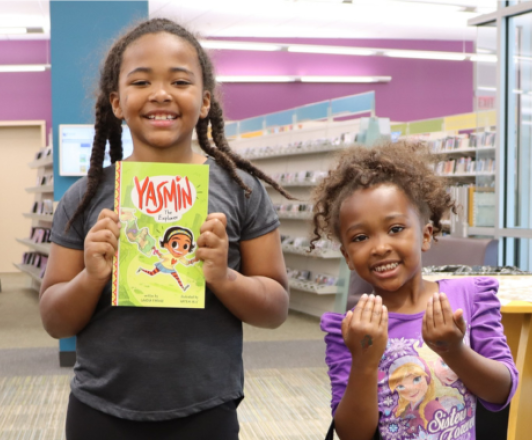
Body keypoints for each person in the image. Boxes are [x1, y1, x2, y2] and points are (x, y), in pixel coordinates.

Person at [39, 18, 292, 440]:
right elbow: (53, 320)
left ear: (205, 100)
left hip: (205, 407)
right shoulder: (85, 197)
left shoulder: (242, 192)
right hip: (100, 408)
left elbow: (276, 308)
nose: (160, 93)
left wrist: (224, 277)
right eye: (141, 82)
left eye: (179, 81)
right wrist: (92, 276)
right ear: (117, 102)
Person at [313, 141, 518, 440]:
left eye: (395, 229)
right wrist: (365, 361)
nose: (380, 247)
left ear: (425, 235)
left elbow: (502, 392)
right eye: (360, 237)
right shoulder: (350, 328)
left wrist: (455, 350)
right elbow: (352, 434)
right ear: (347, 256)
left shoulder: (470, 297)